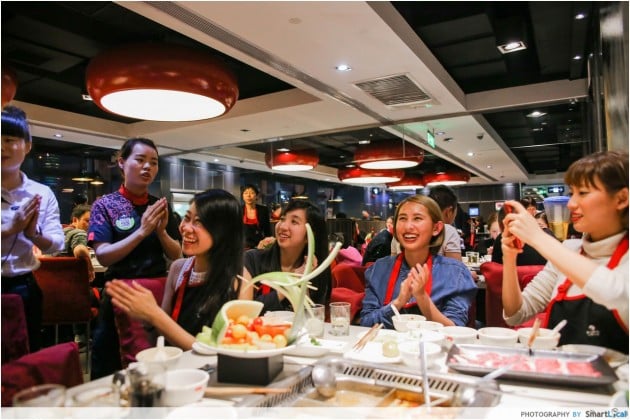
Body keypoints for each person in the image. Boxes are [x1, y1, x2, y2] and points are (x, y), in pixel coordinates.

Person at [501, 150, 628, 353]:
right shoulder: (570, 250)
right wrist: (509, 257)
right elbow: (516, 314)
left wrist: (538, 237)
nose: (571, 204)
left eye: (583, 193)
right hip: (560, 369)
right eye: (572, 194)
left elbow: (616, 292)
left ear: (621, 199)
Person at [106, 189, 252, 350]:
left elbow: (226, 351)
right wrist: (145, 315)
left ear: (223, 232)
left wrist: (154, 314)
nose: (185, 228)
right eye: (187, 218)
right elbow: (163, 333)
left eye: (198, 222)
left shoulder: (240, 280)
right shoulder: (178, 269)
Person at [88, 137, 182, 378]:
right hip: (120, 293)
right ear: (122, 162)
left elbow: (177, 254)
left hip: (158, 294)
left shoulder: (159, 205)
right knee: (112, 367)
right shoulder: (105, 205)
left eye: (154, 162)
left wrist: (161, 232)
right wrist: (142, 232)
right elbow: (103, 256)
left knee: (157, 361)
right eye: (140, 160)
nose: (147, 167)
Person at [360, 195, 476, 329]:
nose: (408, 226)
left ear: (436, 228)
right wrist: (398, 302)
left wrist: (422, 297)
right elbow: (366, 323)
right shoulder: (378, 270)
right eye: (402, 218)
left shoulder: (455, 273)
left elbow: (454, 330)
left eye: (417, 218)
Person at [1, 105, 64, 352]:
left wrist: (33, 234)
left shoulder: (41, 193)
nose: (1, 147)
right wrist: (9, 229)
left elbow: (57, 244)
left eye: (9, 140)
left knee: (26, 355)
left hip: (23, 287)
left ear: (27, 146)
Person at [244, 199, 331, 313]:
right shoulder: (252, 260)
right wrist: (292, 283)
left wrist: (304, 282)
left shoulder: (316, 269)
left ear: (310, 235)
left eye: (294, 222)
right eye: (282, 219)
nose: (283, 226)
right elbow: (246, 311)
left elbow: (313, 316)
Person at [56, 204, 95, 281]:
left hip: (49, 283)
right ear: (75, 220)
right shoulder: (79, 233)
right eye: (87, 221)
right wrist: (90, 269)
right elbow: (80, 250)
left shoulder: (59, 232)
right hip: (70, 283)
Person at [242, 184, 272, 249]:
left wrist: (268, 245)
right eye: (246, 193)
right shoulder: (238, 210)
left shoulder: (263, 210)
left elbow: (267, 230)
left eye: (252, 193)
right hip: (243, 246)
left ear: (256, 196)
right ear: (243, 196)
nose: (248, 195)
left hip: (259, 245)